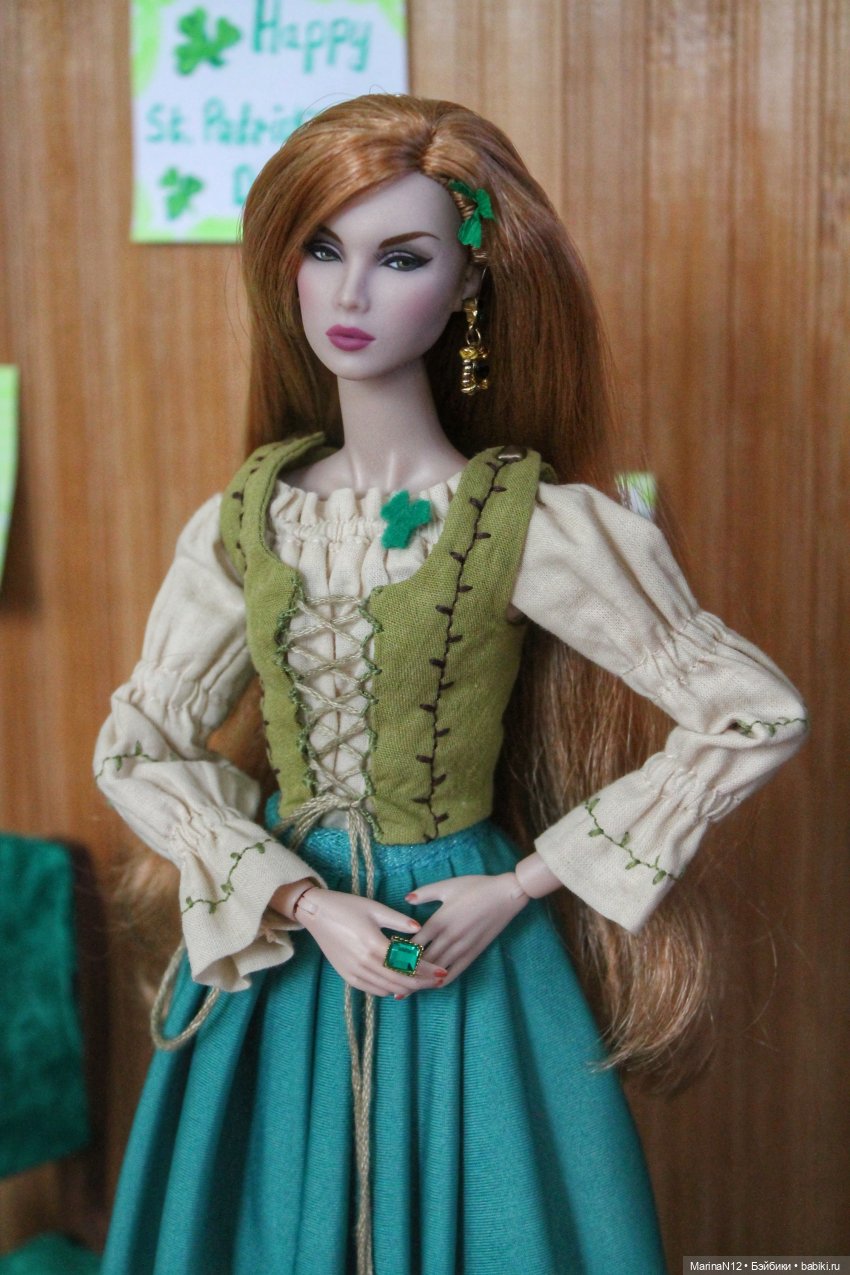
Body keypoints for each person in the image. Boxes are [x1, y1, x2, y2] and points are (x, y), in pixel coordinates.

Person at [94, 94, 807, 1275]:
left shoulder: (531, 523)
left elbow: (752, 711)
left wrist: (520, 885)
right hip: (289, 957)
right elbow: (137, 743)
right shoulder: (249, 519)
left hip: (454, 934)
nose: (351, 293)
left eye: (401, 258)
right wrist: (297, 900)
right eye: (322, 249)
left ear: (468, 280)